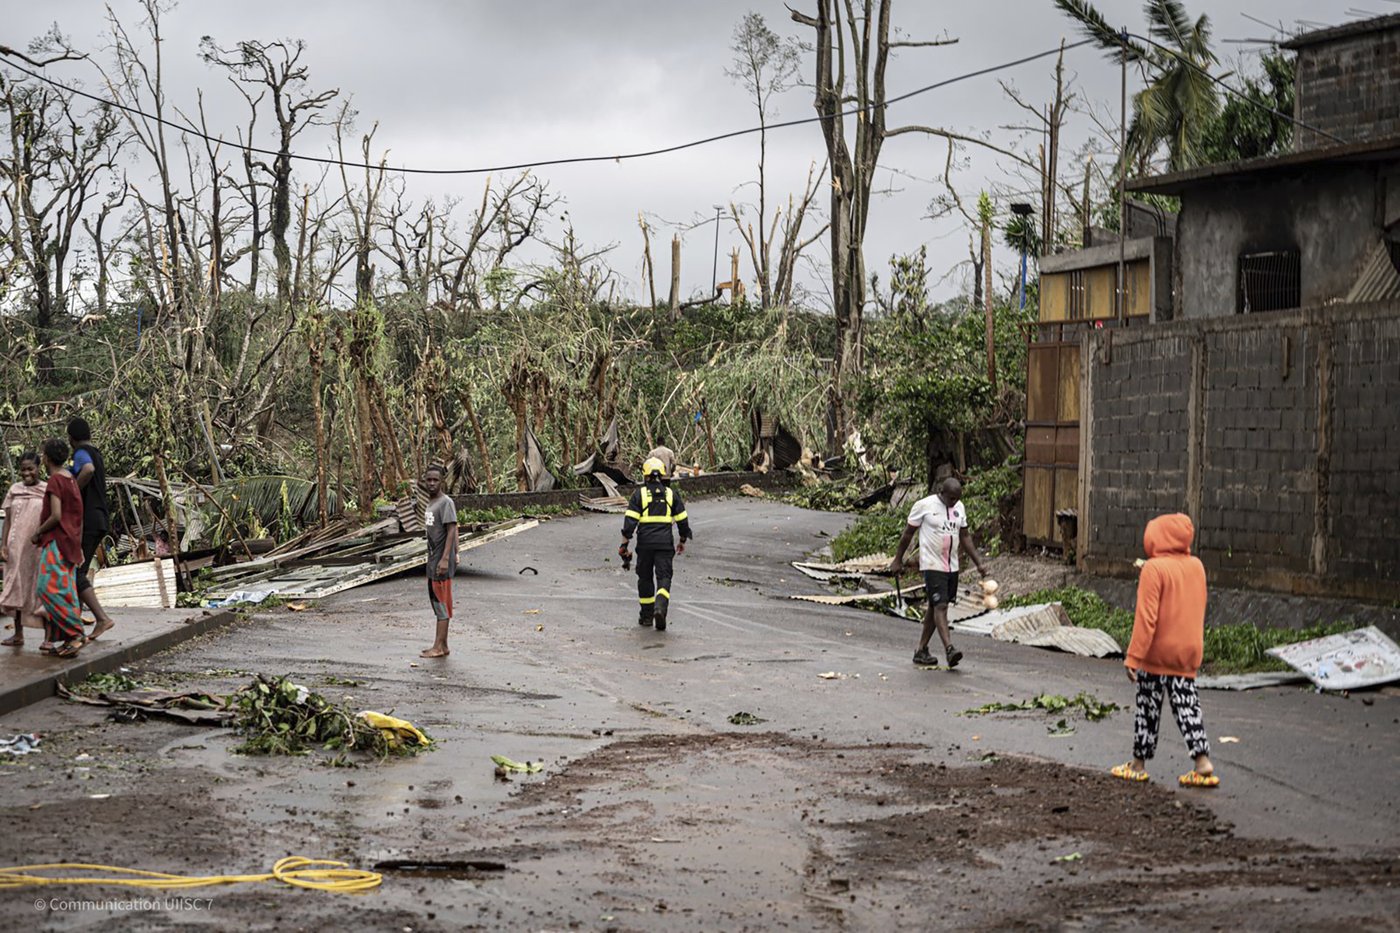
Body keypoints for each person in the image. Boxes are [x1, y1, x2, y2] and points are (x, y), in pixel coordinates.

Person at [1111, 513, 1219, 788]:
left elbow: (1147, 618)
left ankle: (1138, 765)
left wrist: (1134, 656)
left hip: (1157, 654)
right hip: (1188, 652)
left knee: (1147, 708)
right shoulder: (1197, 566)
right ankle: (1202, 762)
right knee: (1187, 706)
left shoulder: (1153, 569)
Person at [888, 477, 987, 668]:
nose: (954, 502)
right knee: (941, 606)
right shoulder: (924, 505)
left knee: (936, 607)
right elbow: (908, 533)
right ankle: (949, 648)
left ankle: (921, 650)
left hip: (952, 566)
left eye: (957, 498)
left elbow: (965, 536)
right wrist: (897, 559)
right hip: (932, 564)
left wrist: (979, 563)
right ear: (942, 492)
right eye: (951, 498)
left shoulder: (960, 508)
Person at [620, 457, 692, 632]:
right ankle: (660, 608)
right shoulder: (671, 494)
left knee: (644, 578)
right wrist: (682, 540)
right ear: (661, 475)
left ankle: (646, 617)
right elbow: (682, 520)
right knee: (664, 578)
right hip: (665, 545)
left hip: (644, 544)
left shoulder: (639, 494)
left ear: (645, 476)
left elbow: (630, 522)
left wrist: (624, 545)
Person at [30, 438, 86, 658]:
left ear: (46, 458)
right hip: (71, 541)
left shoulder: (55, 481)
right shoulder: (70, 479)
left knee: (46, 587)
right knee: (67, 590)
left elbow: (56, 515)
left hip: (57, 541)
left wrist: (37, 532)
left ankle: (75, 632)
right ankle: (68, 639)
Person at [67, 417, 115, 640]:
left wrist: (71, 492)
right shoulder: (97, 451)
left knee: (76, 572)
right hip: (100, 518)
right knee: (80, 571)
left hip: (89, 520)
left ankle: (102, 618)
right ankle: (75, 623)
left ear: (71, 439)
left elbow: (86, 470)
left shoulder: (81, 453)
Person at [1, 452, 47, 648]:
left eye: (31, 468)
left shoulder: (46, 489)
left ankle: (48, 638)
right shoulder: (14, 489)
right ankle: (18, 634)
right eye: (23, 469)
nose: (27, 473)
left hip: (37, 549)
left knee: (39, 589)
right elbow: (8, 520)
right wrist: (3, 545)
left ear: (39, 468)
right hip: (16, 549)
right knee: (16, 589)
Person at [420, 465, 458, 659]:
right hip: (433, 559)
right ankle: (442, 645)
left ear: (442, 481)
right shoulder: (431, 502)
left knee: (441, 602)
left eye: (436, 480)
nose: (432, 483)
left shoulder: (446, 502)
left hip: (440, 561)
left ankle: (438, 647)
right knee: (436, 601)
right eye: (429, 480)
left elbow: (452, 529)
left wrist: (447, 558)